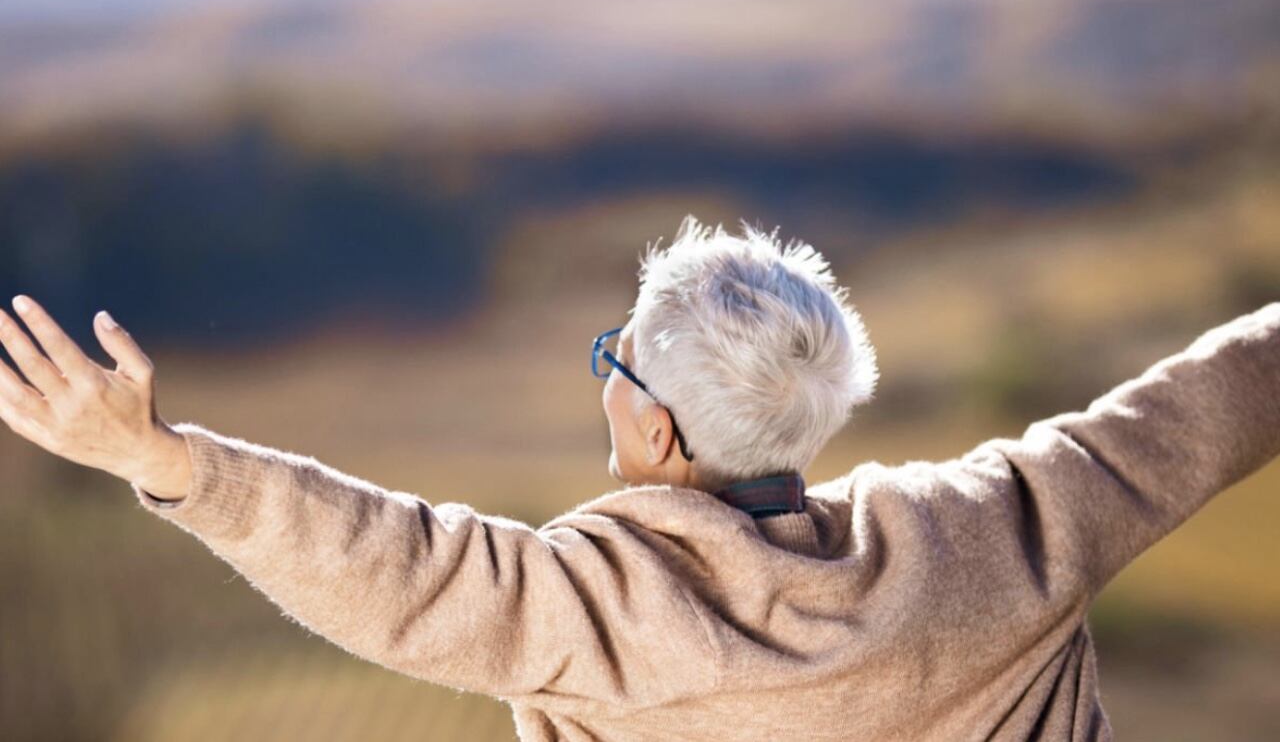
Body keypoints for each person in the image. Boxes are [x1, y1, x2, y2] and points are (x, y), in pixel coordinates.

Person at [0, 215, 1276, 741]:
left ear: (658, 436)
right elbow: (1207, 406)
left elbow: (389, 562)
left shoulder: (597, 612)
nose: (603, 374)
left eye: (613, 358)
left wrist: (159, 460)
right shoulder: (1006, 528)